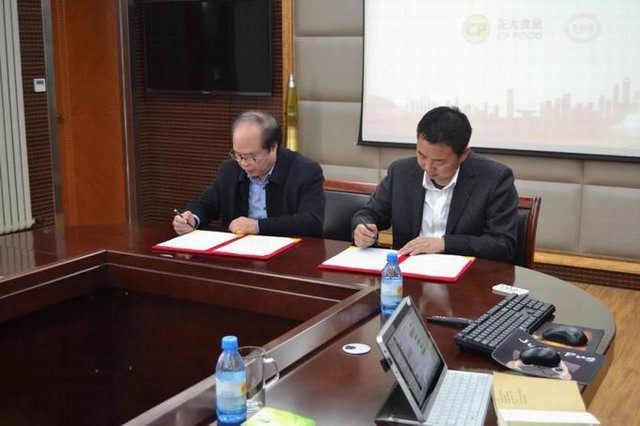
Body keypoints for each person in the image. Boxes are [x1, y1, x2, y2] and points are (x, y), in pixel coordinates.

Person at [352, 106, 519, 262]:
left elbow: (503, 245)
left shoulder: (494, 179)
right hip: (409, 274)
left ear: (463, 155)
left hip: (468, 277)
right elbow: (368, 213)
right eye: (422, 155)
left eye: (439, 161)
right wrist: (362, 228)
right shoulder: (401, 172)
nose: (427, 167)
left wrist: (444, 244)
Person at [173, 111, 325, 237]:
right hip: (239, 253)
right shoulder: (230, 170)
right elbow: (206, 204)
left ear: (273, 147)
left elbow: (311, 222)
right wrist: (192, 218)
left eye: (251, 157)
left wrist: (258, 226)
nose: (243, 163)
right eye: (238, 155)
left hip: (289, 255)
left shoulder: (305, 171)